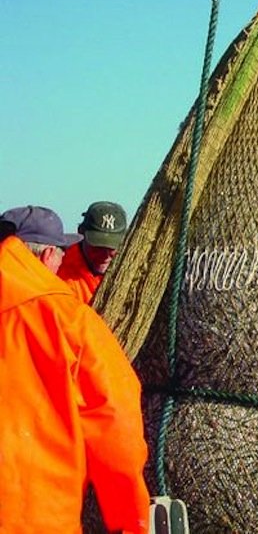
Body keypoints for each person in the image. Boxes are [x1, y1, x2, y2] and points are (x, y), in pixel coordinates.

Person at [0, 205, 149, 533]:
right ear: (49, 255)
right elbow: (116, 424)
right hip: (37, 518)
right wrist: (131, 522)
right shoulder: (70, 320)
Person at [58, 200, 128, 304]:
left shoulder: (130, 272)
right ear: (81, 232)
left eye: (112, 248)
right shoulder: (61, 274)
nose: (105, 255)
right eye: (98, 247)